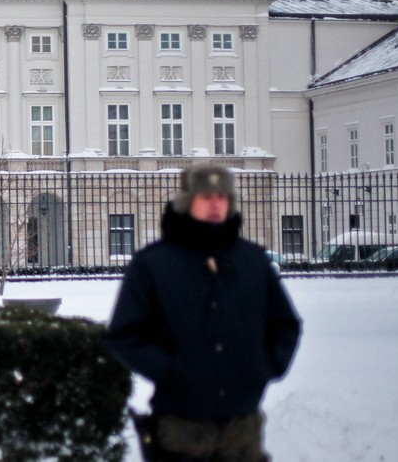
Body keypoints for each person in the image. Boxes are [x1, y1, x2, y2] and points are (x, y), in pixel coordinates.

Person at [107, 164, 301, 461]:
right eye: (206, 196)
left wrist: (263, 367)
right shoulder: (154, 265)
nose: (215, 204)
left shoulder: (253, 262)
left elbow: (285, 324)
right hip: (181, 430)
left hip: (243, 431)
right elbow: (125, 333)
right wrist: (172, 372)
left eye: (222, 197)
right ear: (188, 202)